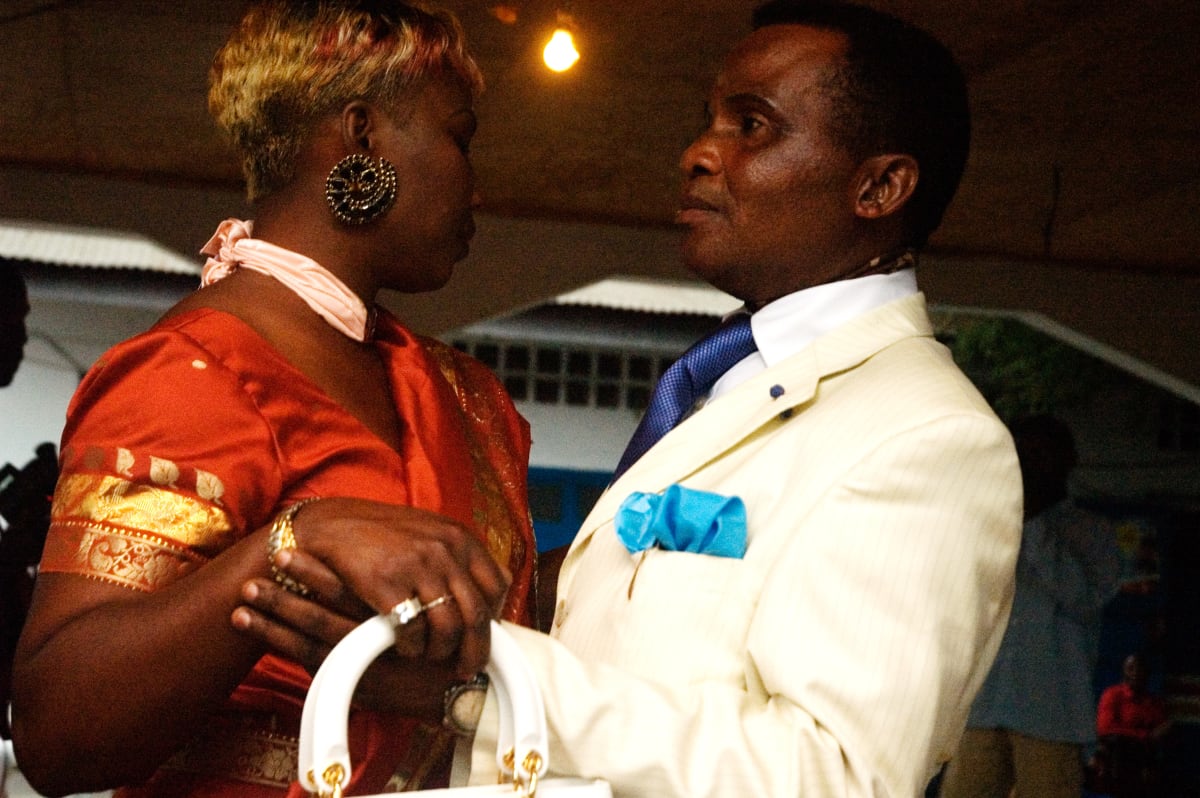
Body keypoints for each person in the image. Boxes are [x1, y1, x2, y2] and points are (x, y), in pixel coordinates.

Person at [241, 1, 1023, 795]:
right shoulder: (723, 380)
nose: (698, 153)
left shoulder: (929, 435)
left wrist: (479, 681)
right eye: (708, 120)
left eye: (752, 126)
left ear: (881, 186)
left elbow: (834, 774)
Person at [9, 2, 536, 796]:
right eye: (458, 137)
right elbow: (55, 732)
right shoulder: (197, 370)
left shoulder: (460, 390)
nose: (477, 183)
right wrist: (294, 542)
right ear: (361, 136)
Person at [939, 415, 1121, 798]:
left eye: (1038, 453)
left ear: (1067, 459)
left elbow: (1085, 600)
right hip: (984, 705)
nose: (1027, 462)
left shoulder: (1090, 531)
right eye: (1020, 451)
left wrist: (1033, 524)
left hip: (1052, 709)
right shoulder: (989, 522)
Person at [1093, 653, 1171, 798]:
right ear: (1124, 671)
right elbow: (1106, 729)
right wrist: (1145, 735)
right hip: (1119, 756)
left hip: (1145, 758)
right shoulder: (1113, 695)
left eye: (1140, 669)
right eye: (1131, 668)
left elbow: (1162, 728)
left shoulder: (1153, 702)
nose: (1136, 673)